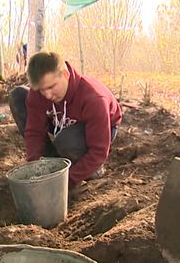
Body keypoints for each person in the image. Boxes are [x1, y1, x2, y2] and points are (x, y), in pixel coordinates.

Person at [8, 51, 122, 188]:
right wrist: (35, 168)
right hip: (60, 119)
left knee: (67, 141)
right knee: (18, 96)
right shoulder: (39, 93)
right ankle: (51, 161)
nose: (48, 95)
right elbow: (34, 132)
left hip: (100, 128)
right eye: (42, 90)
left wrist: (66, 182)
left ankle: (92, 170)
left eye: (51, 87)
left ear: (65, 75)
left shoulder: (94, 98)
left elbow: (99, 151)